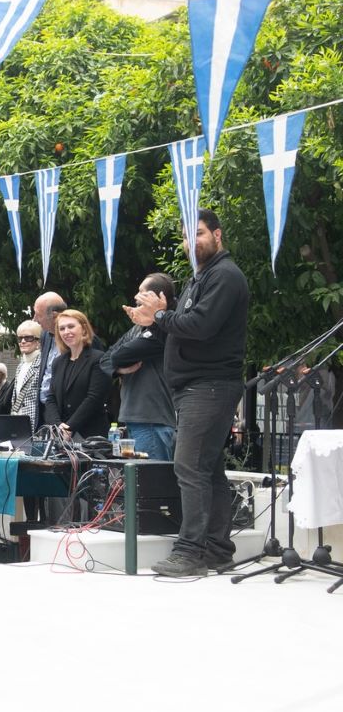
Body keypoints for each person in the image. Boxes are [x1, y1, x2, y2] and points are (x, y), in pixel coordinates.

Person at [129, 209, 249, 577]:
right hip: (197, 387)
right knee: (208, 469)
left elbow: (200, 326)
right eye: (185, 236)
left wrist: (159, 317)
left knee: (190, 466)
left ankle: (190, 552)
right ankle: (217, 549)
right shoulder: (202, 277)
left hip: (209, 386)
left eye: (198, 233)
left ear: (217, 234)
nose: (191, 242)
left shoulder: (224, 276)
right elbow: (185, 329)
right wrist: (157, 320)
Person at [101, 273, 177, 461]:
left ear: (157, 299)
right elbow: (105, 359)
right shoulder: (137, 329)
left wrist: (118, 360)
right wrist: (119, 370)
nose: (136, 297)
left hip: (152, 419)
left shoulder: (164, 330)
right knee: (136, 477)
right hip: (135, 418)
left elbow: (118, 355)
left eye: (142, 293)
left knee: (151, 478)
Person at [43, 309, 111, 439]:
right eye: (62, 329)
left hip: (91, 437)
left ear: (84, 329)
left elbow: (94, 398)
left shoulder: (99, 359)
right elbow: (51, 398)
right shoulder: (58, 362)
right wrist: (57, 426)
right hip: (62, 436)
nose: (66, 332)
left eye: (71, 326)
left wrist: (69, 427)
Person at [31, 291, 67, 427]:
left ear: (54, 316)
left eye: (38, 315)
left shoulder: (79, 340)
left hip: (66, 415)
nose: (35, 319)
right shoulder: (45, 335)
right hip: (45, 412)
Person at [8, 320, 43, 432]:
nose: (22, 341)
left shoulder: (44, 364)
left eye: (28, 338)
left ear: (38, 342)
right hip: (17, 423)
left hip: (36, 425)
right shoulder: (21, 365)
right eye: (20, 338)